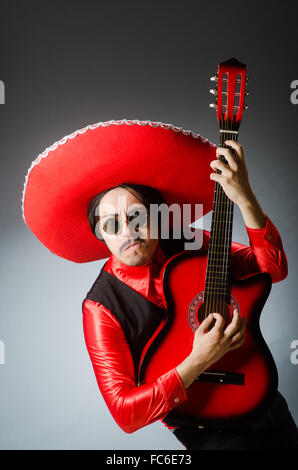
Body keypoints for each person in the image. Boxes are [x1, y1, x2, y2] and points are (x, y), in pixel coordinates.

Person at [82, 140, 298, 450]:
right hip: (207, 430)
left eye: (137, 217)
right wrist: (198, 361)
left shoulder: (188, 241)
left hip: (259, 394)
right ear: (100, 234)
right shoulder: (100, 307)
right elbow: (125, 413)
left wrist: (245, 198)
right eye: (112, 225)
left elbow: (273, 268)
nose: (128, 232)